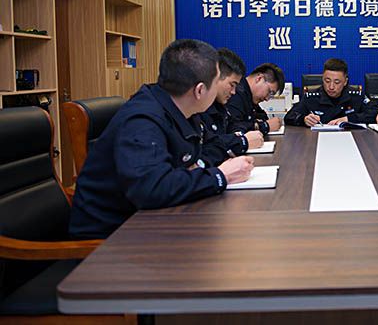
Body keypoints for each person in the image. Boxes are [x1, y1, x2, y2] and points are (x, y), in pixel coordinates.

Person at [69, 39, 254, 239]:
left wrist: (192, 172)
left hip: (152, 221)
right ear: (200, 90)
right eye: (217, 81)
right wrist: (220, 176)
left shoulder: (183, 110)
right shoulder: (142, 121)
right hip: (110, 238)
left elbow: (199, 156)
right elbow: (151, 189)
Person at [199, 48, 264, 164]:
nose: (233, 92)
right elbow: (206, 148)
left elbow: (233, 127)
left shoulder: (220, 106)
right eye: (232, 85)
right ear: (216, 77)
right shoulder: (199, 108)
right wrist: (241, 141)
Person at [284, 58, 378, 126]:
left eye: (337, 82)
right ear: (322, 79)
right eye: (327, 81)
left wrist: (349, 119)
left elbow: (375, 112)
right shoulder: (311, 96)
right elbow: (289, 117)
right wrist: (304, 120)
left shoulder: (356, 95)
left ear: (345, 81)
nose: (331, 87)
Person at [226, 63, 284, 135]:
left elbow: (263, 117)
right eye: (270, 92)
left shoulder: (250, 97)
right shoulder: (236, 94)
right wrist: (264, 126)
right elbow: (235, 129)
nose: (267, 99)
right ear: (259, 78)